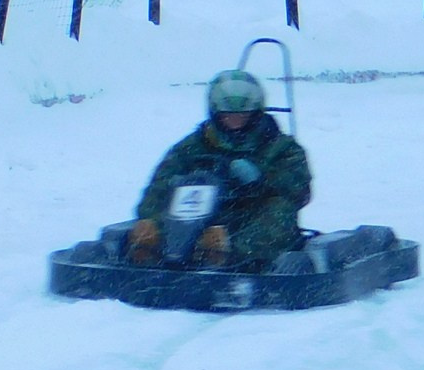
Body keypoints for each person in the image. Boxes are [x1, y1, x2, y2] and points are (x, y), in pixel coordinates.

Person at [127, 68, 312, 266]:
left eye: (242, 116)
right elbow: (159, 185)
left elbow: (299, 190)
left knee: (279, 209)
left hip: (249, 217)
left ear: (256, 114)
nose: (235, 121)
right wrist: (152, 220)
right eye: (228, 116)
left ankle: (228, 253)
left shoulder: (282, 147)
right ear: (216, 114)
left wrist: (261, 180)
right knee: (154, 216)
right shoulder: (192, 146)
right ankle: (155, 251)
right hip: (196, 218)